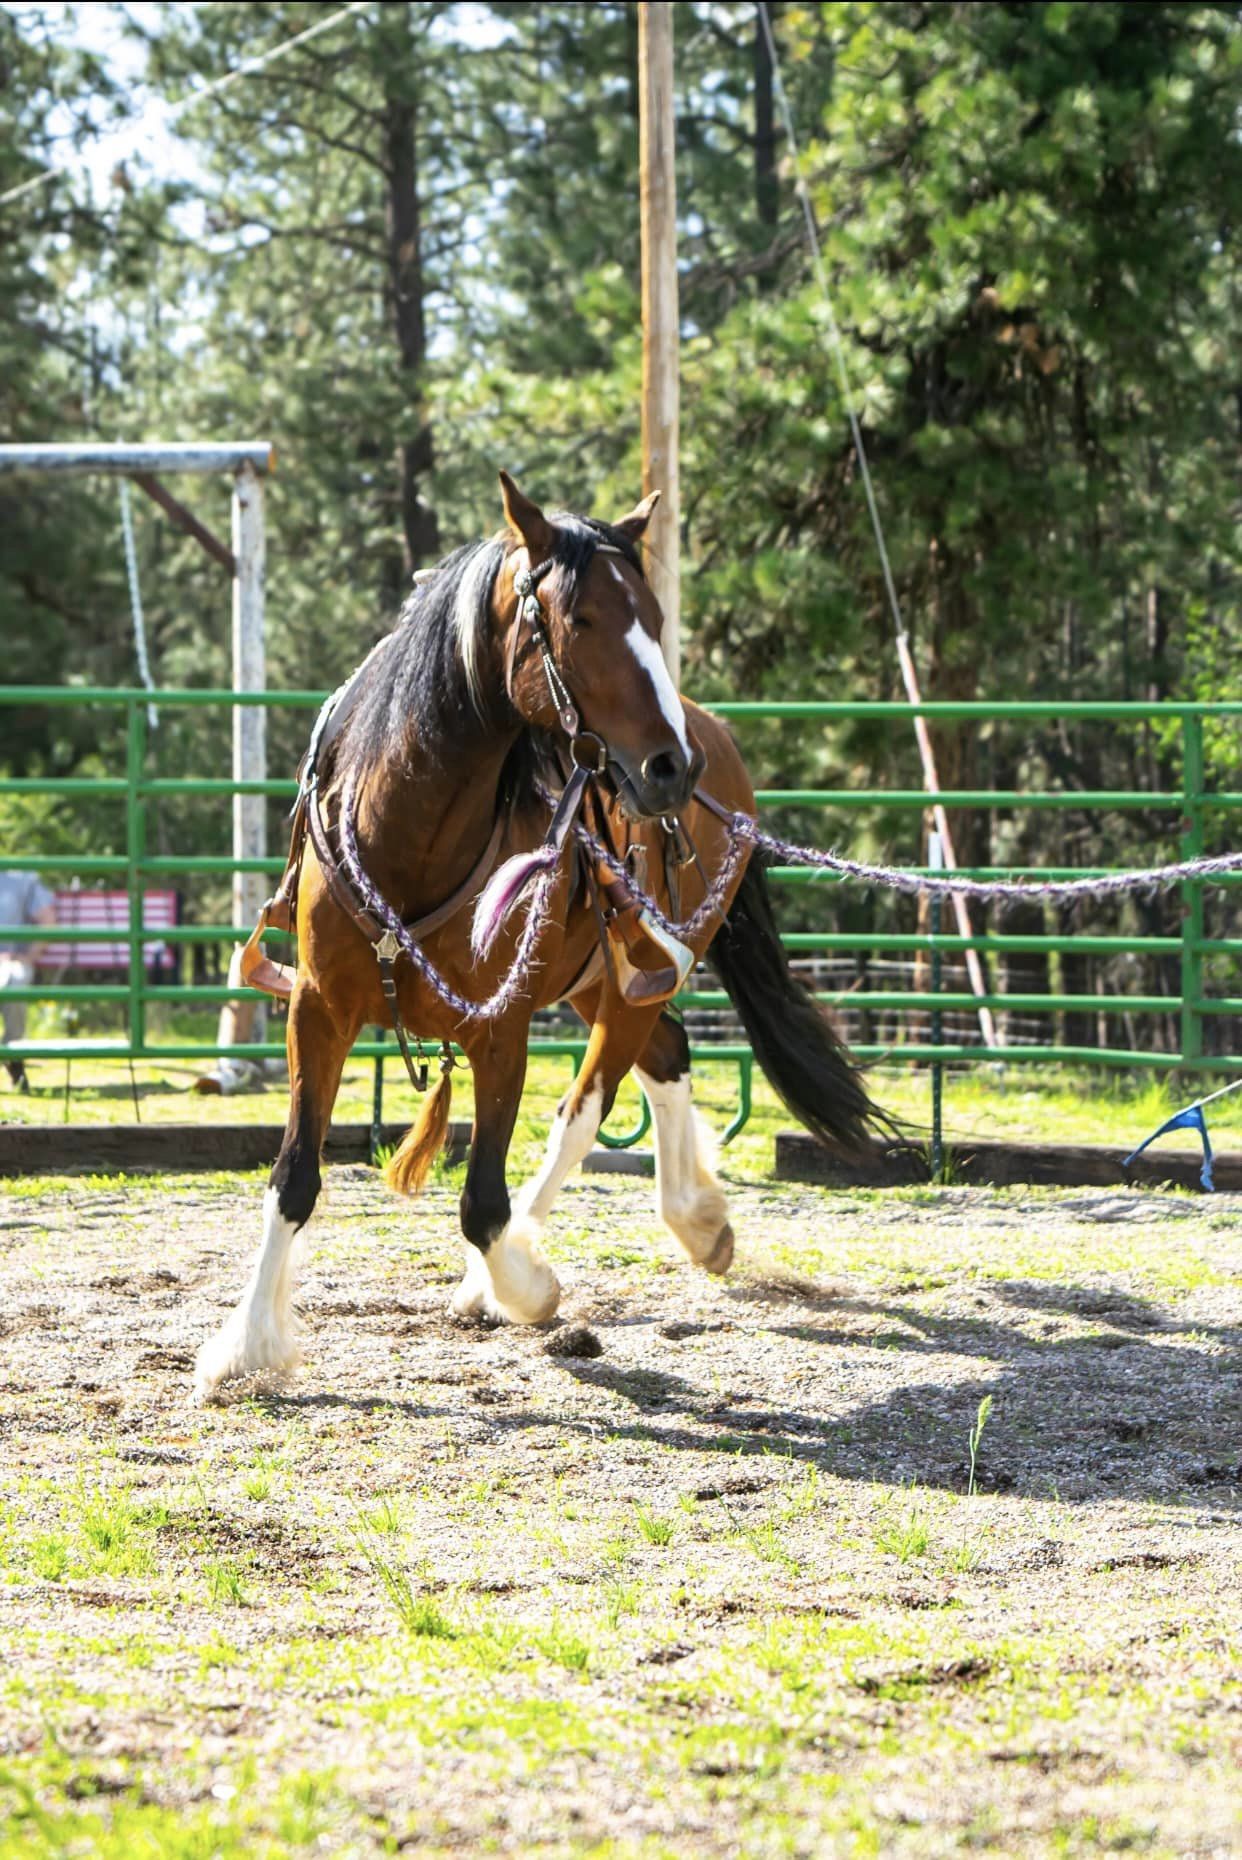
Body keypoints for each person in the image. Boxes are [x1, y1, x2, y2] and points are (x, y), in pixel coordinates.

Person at [0, 870, 56, 1092]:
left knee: (14, 982)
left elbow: (48, 921)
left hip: (11, 962)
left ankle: (13, 1055)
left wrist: (29, 956)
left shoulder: (23, 880)